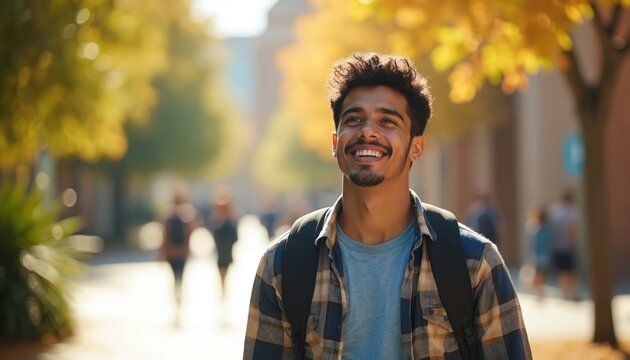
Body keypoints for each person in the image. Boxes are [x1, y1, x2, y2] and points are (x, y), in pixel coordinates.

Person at [244, 52, 531, 359]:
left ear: (416, 147)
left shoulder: (475, 264)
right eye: (353, 119)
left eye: (387, 121)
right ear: (334, 143)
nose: (368, 131)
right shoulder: (282, 265)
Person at [159, 191, 198, 326]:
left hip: (172, 253)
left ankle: (177, 302)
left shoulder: (167, 216)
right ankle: (178, 302)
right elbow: (190, 233)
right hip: (181, 253)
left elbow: (164, 235)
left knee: (174, 278)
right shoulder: (187, 216)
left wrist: (162, 252)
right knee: (180, 278)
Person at [207, 185, 239, 300]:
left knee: (223, 272)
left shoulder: (222, 221)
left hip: (223, 251)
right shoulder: (226, 221)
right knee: (223, 272)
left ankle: (223, 291)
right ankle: (223, 291)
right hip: (224, 251)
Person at [550, 190, 579, 300]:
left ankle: (564, 292)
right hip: (567, 246)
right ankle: (571, 293)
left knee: (561, 270)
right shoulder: (571, 212)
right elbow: (571, 229)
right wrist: (574, 243)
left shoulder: (555, 211)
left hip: (556, 246)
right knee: (570, 270)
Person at [525, 206, 552, 299]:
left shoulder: (540, 228)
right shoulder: (541, 228)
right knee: (540, 274)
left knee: (539, 274)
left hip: (540, 255)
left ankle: (539, 291)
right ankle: (539, 291)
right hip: (541, 255)